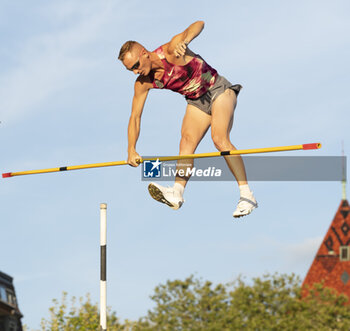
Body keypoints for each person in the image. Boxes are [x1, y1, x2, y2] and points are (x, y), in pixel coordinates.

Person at [118, 21, 257, 218]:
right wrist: (131, 148)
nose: (134, 72)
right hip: (196, 101)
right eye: (129, 70)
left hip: (218, 89)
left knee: (219, 138)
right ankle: (177, 193)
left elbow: (199, 24)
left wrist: (187, 40)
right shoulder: (143, 83)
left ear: (143, 53)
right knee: (186, 143)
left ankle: (247, 196)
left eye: (135, 66)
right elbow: (135, 117)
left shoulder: (172, 50)